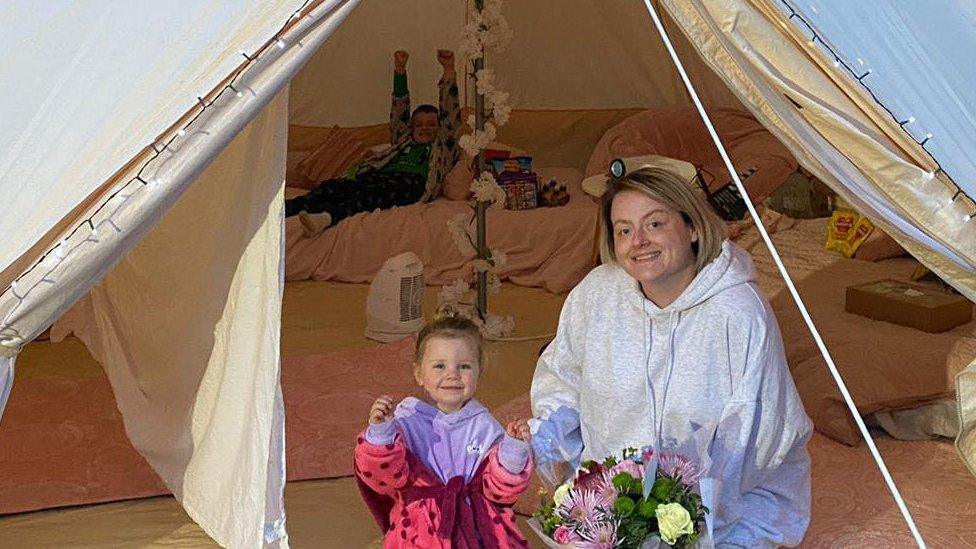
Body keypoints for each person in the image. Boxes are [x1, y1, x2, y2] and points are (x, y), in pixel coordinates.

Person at [530, 167, 813, 548]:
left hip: (723, 501)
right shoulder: (596, 293)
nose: (639, 242)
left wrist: (678, 512)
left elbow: (757, 434)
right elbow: (561, 379)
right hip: (614, 498)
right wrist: (555, 446)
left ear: (692, 227)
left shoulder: (737, 311)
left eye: (655, 224)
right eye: (624, 230)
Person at [354, 315, 534, 548]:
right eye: (439, 365)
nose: (452, 374)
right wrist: (381, 433)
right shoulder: (406, 421)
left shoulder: (486, 426)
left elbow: (501, 493)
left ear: (480, 370)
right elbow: (383, 478)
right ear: (419, 373)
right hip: (420, 531)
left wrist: (513, 450)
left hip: (479, 530)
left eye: (464, 366)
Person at [287, 49, 462, 236]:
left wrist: (448, 70)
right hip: (380, 175)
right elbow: (399, 112)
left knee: (370, 195)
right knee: (335, 187)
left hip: (411, 183)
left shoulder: (442, 148)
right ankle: (283, 210)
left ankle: (326, 218)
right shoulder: (403, 141)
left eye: (431, 125)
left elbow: (450, 118)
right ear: (411, 127)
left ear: (439, 129)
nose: (424, 128)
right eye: (419, 124)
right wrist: (400, 70)